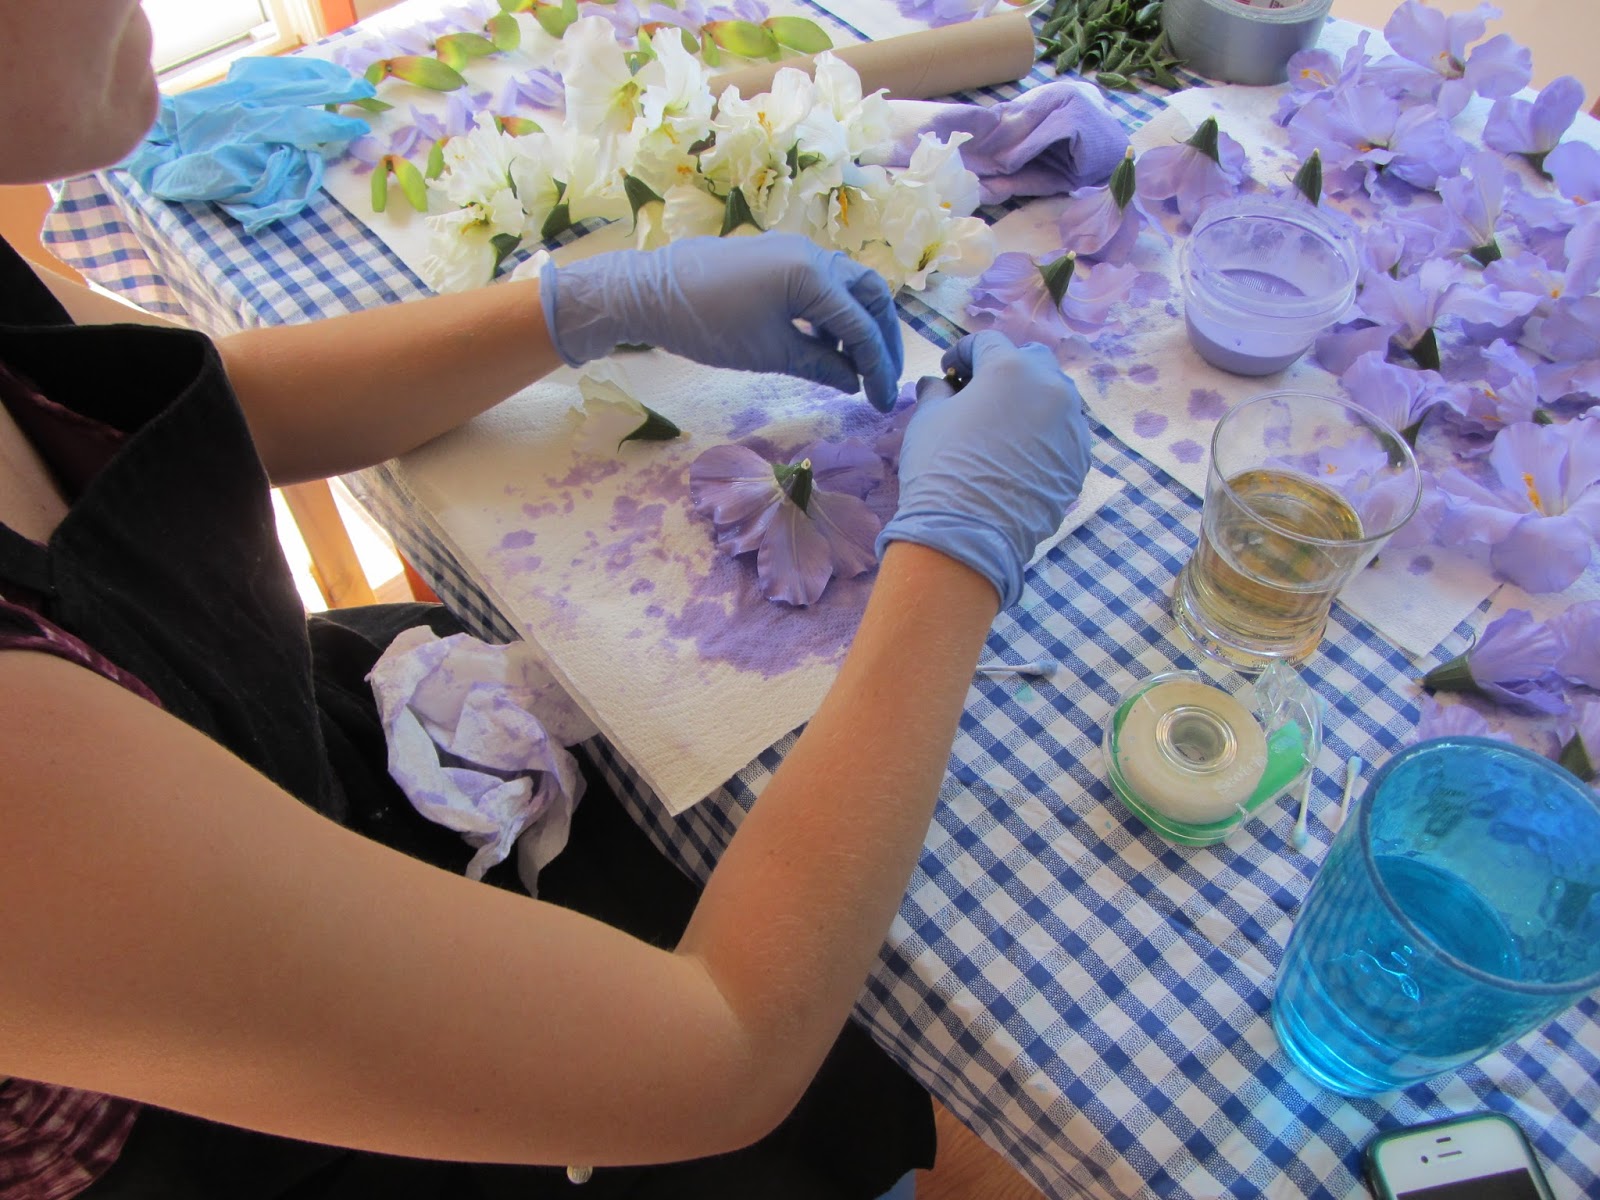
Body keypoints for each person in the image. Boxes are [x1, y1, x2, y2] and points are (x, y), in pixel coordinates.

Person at [0, 3, 1093, 1197]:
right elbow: (722, 1047)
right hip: (288, 1152)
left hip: (294, 798)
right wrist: (958, 548)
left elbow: (193, 402)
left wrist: (584, 306)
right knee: (857, 1043)